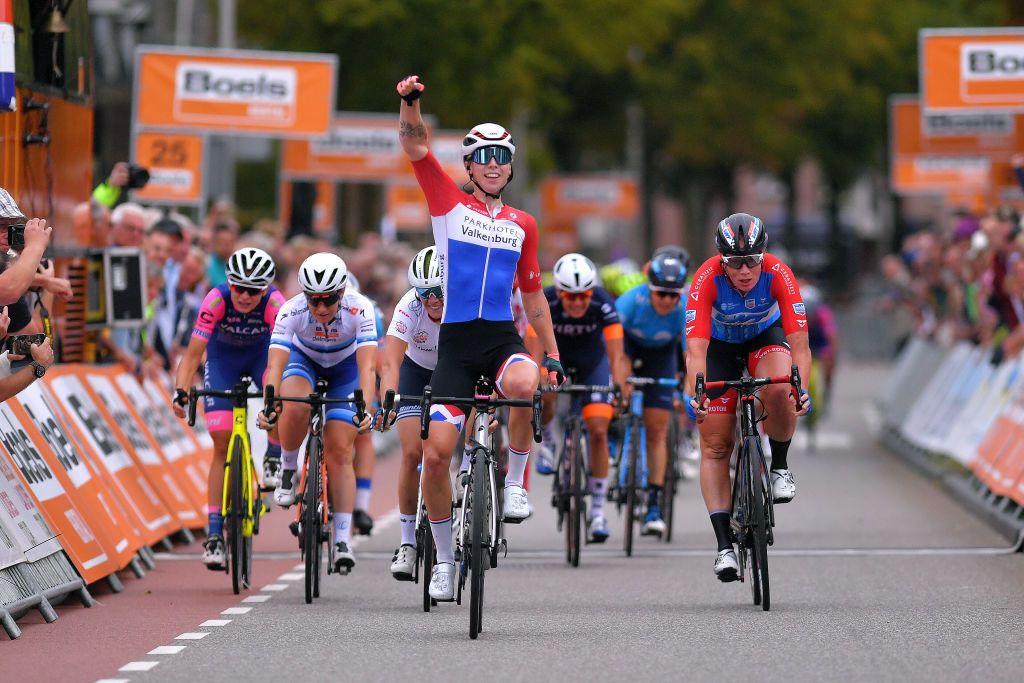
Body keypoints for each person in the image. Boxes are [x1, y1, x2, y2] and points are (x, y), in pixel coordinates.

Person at [396, 74, 563, 602]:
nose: (493, 164)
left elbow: (534, 298)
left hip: (499, 338)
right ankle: (444, 561)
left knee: (525, 379)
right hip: (456, 347)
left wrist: (553, 354)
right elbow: (416, 145)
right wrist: (410, 103)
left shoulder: (523, 224)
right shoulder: (448, 203)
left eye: (502, 157)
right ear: (468, 166)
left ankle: (515, 483)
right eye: (483, 156)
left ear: (511, 167)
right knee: (437, 454)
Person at [684, 213, 811, 582]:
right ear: (722, 260)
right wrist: (698, 390)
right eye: (735, 262)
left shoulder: (779, 273)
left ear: (763, 255)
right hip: (718, 348)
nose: (744, 270)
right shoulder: (706, 277)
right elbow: (695, 350)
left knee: (779, 386)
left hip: (764, 338)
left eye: (752, 260)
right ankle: (724, 547)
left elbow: (800, 341)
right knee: (716, 447)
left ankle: (780, 467)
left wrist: (801, 388)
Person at [259, 253, 376, 573]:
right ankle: (287, 470)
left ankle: (342, 538)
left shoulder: (360, 307)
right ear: (305, 296)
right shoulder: (291, 310)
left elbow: (367, 365)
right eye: (314, 300)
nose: (321, 308)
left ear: (342, 293)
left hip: (345, 370)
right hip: (304, 361)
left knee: (340, 451)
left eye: (329, 300)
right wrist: (271, 404)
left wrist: (364, 404)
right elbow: (275, 366)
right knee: (294, 402)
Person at [172, 247, 285, 569]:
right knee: (221, 442)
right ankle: (214, 534)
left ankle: (274, 456)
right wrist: (181, 390)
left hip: (263, 355)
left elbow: (283, 355)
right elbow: (193, 354)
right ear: (229, 284)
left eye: (254, 290)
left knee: (276, 394)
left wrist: (275, 393)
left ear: (266, 289)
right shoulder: (216, 298)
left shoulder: (276, 304)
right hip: (223, 360)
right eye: (239, 288)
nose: (246, 296)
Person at [532, 253, 629, 542]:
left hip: (592, 363)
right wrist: (538, 373)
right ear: (559, 292)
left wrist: (619, 385)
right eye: (569, 297)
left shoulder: (603, 302)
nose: (576, 303)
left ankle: (597, 510)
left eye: (583, 296)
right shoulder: (545, 300)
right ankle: (548, 442)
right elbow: (532, 345)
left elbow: (616, 353)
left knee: (599, 429)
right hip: (554, 358)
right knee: (545, 391)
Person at [377, 246, 443, 580]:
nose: (432, 299)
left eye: (438, 292)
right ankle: (406, 542)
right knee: (412, 451)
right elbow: (391, 360)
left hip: (452, 372)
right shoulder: (409, 307)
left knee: (442, 450)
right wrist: (388, 398)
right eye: (424, 293)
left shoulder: (463, 303)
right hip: (416, 373)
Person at [615, 249, 690, 537]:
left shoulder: (683, 308)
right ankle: (617, 433)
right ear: (650, 289)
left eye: (674, 295)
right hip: (629, 349)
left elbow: (689, 352)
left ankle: (654, 504)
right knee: (620, 390)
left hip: (663, 356)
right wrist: (620, 384)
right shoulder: (631, 302)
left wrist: (685, 387)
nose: (668, 301)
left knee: (657, 431)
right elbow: (615, 348)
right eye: (662, 294)